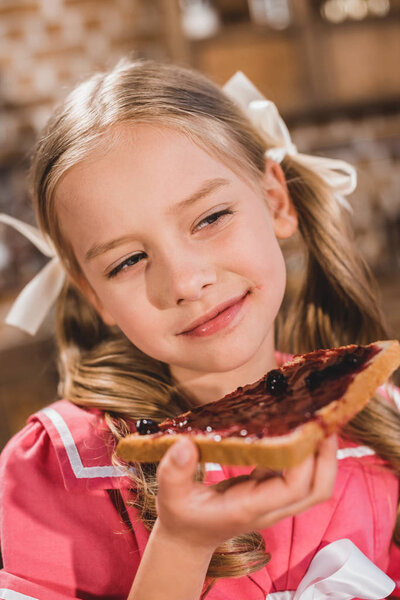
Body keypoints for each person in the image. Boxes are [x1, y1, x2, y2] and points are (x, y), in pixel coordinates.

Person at [0, 58, 399, 600]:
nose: (185, 281)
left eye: (210, 218)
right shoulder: (55, 470)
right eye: (128, 261)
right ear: (95, 296)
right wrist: (183, 545)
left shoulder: (382, 421)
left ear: (276, 201)